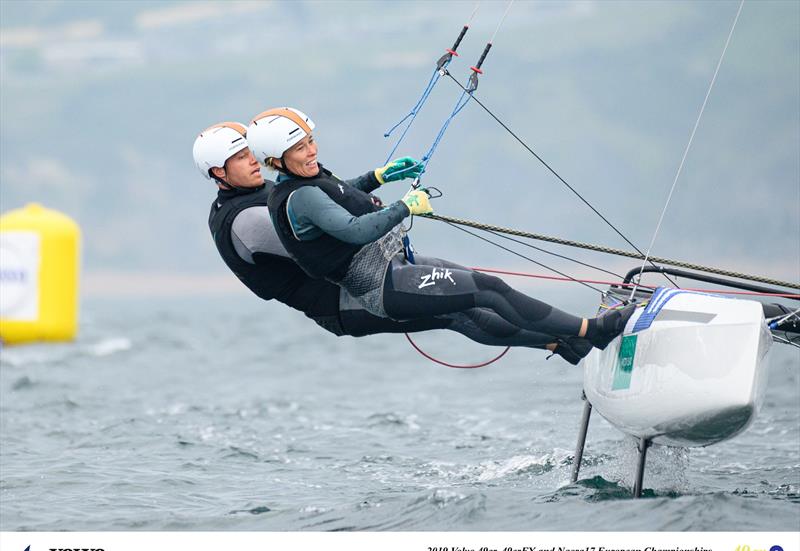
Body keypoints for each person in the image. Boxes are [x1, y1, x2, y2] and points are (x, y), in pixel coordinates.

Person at [247, 107, 636, 361]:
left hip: (392, 269)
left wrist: (377, 177)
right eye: (300, 148)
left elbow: (338, 195)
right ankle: (593, 331)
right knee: (488, 289)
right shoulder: (299, 196)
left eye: (311, 141)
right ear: (275, 161)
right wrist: (405, 206)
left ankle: (569, 343)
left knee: (471, 307)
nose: (311, 150)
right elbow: (353, 230)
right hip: (382, 284)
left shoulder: (301, 183)